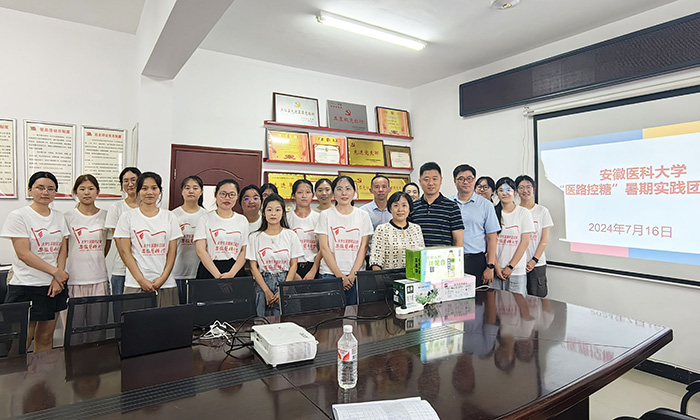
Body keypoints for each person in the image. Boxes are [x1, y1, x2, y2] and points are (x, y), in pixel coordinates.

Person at [1, 171, 69, 352]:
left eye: (51, 189)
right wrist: (56, 272)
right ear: (30, 190)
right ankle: (17, 372)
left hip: (53, 286)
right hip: (27, 284)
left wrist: (58, 278)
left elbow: (63, 249)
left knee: (46, 337)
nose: (45, 192)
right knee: (22, 340)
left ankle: (41, 371)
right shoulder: (19, 216)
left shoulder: (59, 216)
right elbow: (23, 254)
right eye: (40, 187)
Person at [114, 172, 182, 307]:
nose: (149, 192)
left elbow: (172, 252)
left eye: (154, 188)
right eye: (144, 188)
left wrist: (163, 278)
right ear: (138, 191)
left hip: (165, 284)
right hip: (135, 283)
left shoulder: (169, 217)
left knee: (167, 320)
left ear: (160, 191)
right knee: (135, 320)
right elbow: (125, 252)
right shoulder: (127, 217)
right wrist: (141, 280)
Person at [315, 176, 373, 305]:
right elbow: (324, 248)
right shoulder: (325, 215)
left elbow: (363, 247)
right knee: (330, 315)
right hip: (329, 274)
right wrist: (340, 276)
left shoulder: (363, 215)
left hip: (356, 275)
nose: (344, 193)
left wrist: (353, 274)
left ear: (354, 192)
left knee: (355, 314)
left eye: (348, 189)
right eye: (339, 189)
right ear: (333, 193)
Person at [247, 194, 303, 316]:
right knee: (262, 321)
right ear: (263, 212)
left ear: (283, 213)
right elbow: (253, 267)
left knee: (289, 320)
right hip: (262, 283)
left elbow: (293, 265)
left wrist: (284, 289)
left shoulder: (291, 235)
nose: (273, 213)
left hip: (285, 281)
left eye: (277, 210)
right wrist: (266, 291)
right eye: (269, 210)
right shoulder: (254, 237)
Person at [449, 165, 500, 287]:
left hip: (475, 260)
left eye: (469, 178)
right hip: (451, 260)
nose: (465, 182)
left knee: (479, 297)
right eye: (461, 179)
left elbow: (492, 237)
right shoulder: (447, 203)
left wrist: (490, 266)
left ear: (474, 180)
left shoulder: (486, 205)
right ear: (455, 181)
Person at [65, 174, 109, 297]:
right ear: (75, 192)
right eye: (82, 189)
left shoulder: (106, 216)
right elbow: (65, 248)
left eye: (91, 188)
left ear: (97, 191)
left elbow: (107, 244)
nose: (86, 193)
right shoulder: (67, 217)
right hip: (75, 277)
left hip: (99, 276)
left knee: (99, 310)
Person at [194, 179, 249, 279]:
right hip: (210, 269)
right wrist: (218, 276)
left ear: (237, 196)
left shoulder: (242, 220)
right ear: (215, 195)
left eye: (232, 194)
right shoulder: (205, 219)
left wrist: (231, 274)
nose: (227, 198)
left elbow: (244, 250)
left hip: (235, 271)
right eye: (223, 194)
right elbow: (201, 251)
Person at [493, 177, 534, 295]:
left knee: (517, 304)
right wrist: (496, 266)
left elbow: (525, 242)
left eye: (508, 190)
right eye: (501, 190)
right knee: (494, 304)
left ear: (515, 192)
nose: (504, 193)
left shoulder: (523, 213)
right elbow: (489, 242)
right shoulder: (493, 212)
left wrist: (510, 267)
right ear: (496, 193)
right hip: (496, 269)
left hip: (517, 270)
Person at [408, 162, 464, 247]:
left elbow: (458, 241)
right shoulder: (412, 207)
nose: (431, 183)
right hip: (419, 254)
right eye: (426, 179)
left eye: (435, 179)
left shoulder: (452, 207)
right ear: (420, 182)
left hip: (444, 255)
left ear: (441, 180)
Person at [105, 167, 141, 294]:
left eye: (133, 180)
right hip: (122, 269)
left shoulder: (149, 208)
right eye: (125, 181)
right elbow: (119, 242)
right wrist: (131, 264)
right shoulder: (116, 207)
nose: (130, 184)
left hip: (145, 268)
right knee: (120, 306)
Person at [516, 175, 553, 297]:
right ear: (516, 191)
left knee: (537, 301)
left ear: (534, 189)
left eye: (528, 187)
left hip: (537, 264)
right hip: (517, 265)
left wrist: (534, 260)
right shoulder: (514, 211)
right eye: (521, 187)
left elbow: (544, 239)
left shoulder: (542, 211)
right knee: (516, 300)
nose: (525, 190)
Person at [171, 176, 207, 303]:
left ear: (201, 192)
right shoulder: (173, 215)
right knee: (178, 311)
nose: (191, 191)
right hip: (177, 272)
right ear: (182, 191)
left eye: (195, 188)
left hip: (200, 273)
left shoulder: (206, 216)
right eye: (187, 188)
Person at [369, 192, 424, 270]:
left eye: (404, 205)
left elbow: (422, 256)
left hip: (414, 276)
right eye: (396, 206)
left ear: (409, 208)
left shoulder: (416, 228)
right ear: (390, 209)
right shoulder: (382, 229)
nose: (400, 209)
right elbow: (376, 261)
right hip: (389, 276)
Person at [286, 179, 321, 279]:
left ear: (313, 195)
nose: (304, 196)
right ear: (293, 195)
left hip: (314, 266)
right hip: (291, 267)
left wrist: (313, 271)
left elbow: (323, 248)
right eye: (300, 192)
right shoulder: (286, 218)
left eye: (308, 192)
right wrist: (292, 273)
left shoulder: (319, 217)